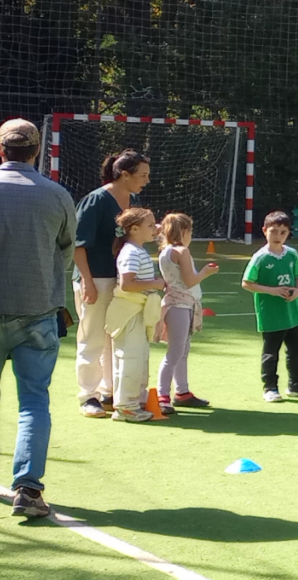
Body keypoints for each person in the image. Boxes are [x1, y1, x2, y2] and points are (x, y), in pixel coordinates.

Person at [0, 119, 76, 518]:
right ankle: (28, 488)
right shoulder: (56, 194)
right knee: (34, 400)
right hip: (37, 310)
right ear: (37, 151)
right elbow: (65, 249)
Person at [72, 149, 151, 417]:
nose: (146, 180)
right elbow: (78, 245)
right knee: (92, 338)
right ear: (124, 175)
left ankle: (110, 392)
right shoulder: (96, 200)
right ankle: (88, 396)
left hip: (122, 281)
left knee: (115, 337)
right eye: (142, 175)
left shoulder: (134, 201)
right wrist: (87, 281)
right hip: (96, 277)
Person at [242, 210, 298, 402]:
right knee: (271, 353)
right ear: (265, 231)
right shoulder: (260, 257)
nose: (278, 236)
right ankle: (270, 388)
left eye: (283, 232)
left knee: (296, 351)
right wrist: (272, 291)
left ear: (288, 233)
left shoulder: (291, 254)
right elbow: (247, 283)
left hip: (293, 313)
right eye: (274, 231)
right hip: (271, 314)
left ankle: (296, 385)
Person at [105, 208, 164, 423]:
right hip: (130, 311)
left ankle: (134, 402)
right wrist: (156, 283)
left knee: (137, 358)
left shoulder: (137, 250)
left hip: (138, 310)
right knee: (130, 359)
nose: (154, 228)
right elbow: (127, 284)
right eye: (150, 225)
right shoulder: (130, 252)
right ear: (134, 229)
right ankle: (126, 407)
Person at [156, 213, 219, 414]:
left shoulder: (165, 251)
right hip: (180, 305)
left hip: (179, 304)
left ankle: (182, 392)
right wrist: (206, 272)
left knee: (182, 351)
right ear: (184, 232)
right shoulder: (182, 251)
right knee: (175, 353)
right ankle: (162, 396)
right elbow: (190, 280)